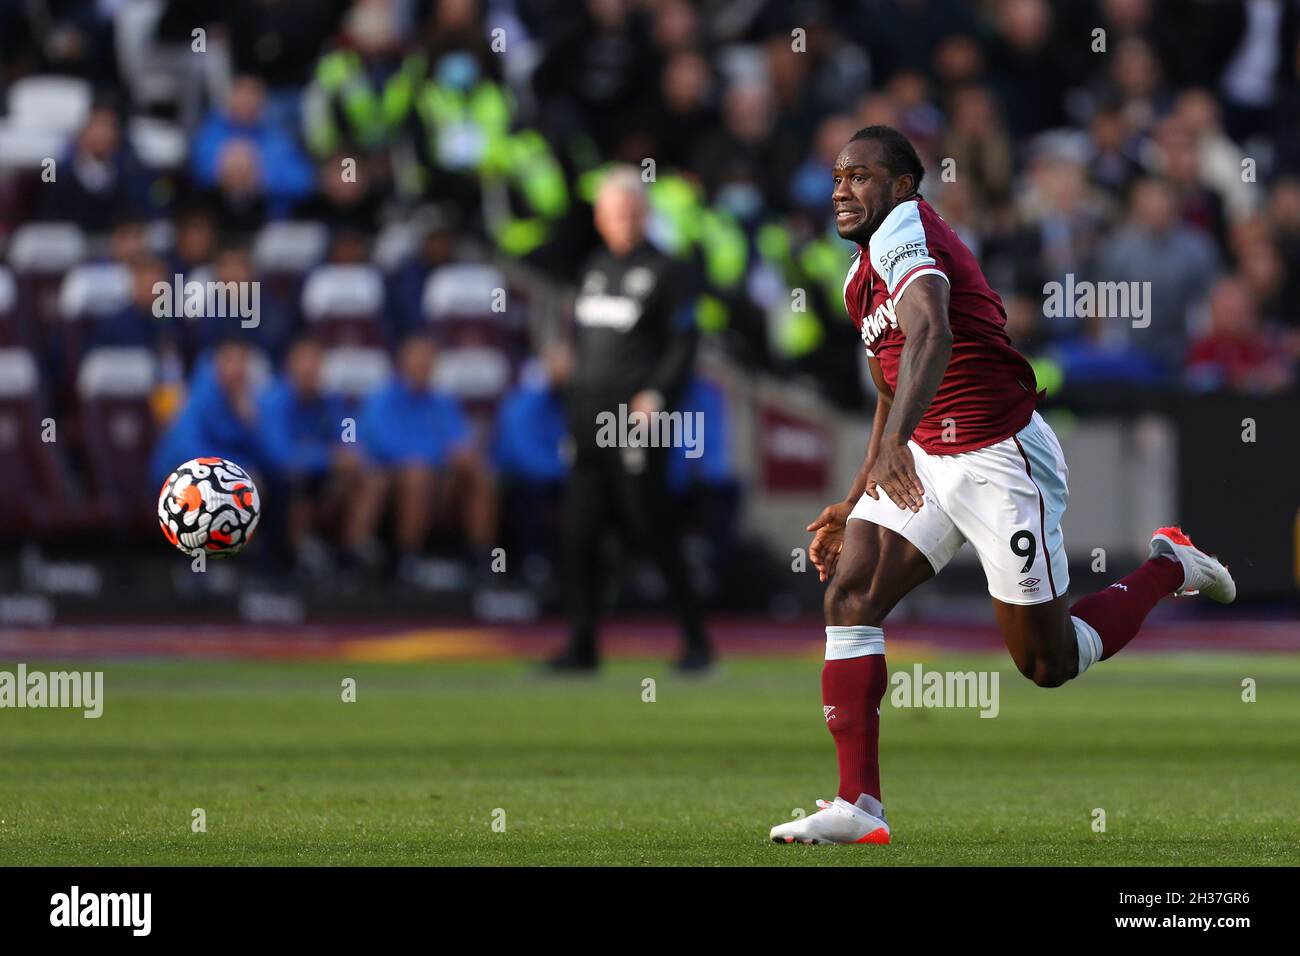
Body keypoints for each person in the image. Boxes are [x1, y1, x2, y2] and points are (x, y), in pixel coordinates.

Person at [769, 126, 1236, 846]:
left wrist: (893, 448)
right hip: (925, 455)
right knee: (849, 594)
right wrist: (861, 486)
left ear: (902, 187)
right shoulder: (858, 277)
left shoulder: (905, 233)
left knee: (1047, 664)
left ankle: (1168, 565)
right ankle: (858, 803)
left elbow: (933, 334)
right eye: (836, 176)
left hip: (1000, 459)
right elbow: (892, 386)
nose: (841, 189)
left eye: (860, 175)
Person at [547, 167, 713, 673]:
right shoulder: (593, 268)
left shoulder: (669, 271)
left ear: (643, 215)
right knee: (578, 534)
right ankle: (582, 645)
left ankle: (695, 641)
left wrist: (658, 395)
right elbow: (584, 337)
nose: (621, 222)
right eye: (612, 213)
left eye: (629, 212)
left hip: (637, 421)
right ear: (599, 219)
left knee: (651, 529)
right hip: (588, 419)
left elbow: (685, 342)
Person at [353, 332, 496, 584]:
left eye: (428, 361)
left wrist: (460, 457)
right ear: (403, 364)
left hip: (440, 474)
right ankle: (408, 559)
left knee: (481, 473)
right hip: (392, 476)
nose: (423, 366)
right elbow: (385, 446)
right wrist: (441, 456)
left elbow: (461, 441)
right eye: (417, 360)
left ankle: (480, 559)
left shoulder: (443, 401)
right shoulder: (383, 400)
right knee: (417, 475)